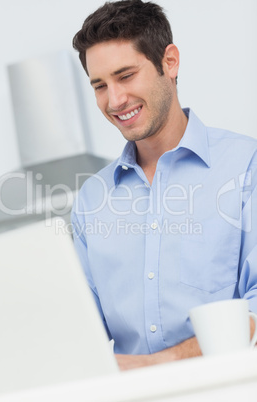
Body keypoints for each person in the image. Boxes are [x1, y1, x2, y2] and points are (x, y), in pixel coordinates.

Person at [71, 0, 257, 370]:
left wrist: (158, 366)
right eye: (99, 86)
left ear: (169, 62)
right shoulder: (92, 199)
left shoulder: (245, 166)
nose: (115, 100)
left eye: (125, 76)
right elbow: (77, 331)